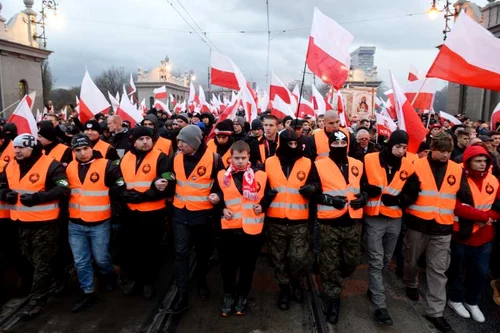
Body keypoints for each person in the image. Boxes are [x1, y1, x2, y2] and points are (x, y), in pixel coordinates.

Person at [403, 132, 472, 333]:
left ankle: (435, 312)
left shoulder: (457, 170)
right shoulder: (417, 164)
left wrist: (467, 223)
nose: (445, 155)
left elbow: (465, 197)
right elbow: (404, 191)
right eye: (441, 151)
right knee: (411, 260)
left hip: (442, 227)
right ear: (432, 149)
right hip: (418, 224)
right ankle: (411, 282)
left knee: (438, 270)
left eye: (448, 151)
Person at [0, 134, 70, 320]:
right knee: (31, 259)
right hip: (21, 223)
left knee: (41, 263)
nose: (17, 151)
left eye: (21, 147)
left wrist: (39, 197)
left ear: (33, 148)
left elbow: (63, 188)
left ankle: (37, 300)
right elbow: (1, 184)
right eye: (15, 148)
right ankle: (59, 276)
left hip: (45, 224)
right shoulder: (11, 165)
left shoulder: (51, 165)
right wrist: (4, 193)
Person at [306, 129, 368, 324]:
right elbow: (310, 191)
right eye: (336, 144)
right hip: (329, 224)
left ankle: (333, 279)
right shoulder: (319, 165)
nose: (340, 147)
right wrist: (329, 200)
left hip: (352, 223)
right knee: (329, 264)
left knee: (351, 261)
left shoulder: (358, 164)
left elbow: (365, 186)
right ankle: (332, 299)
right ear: (330, 146)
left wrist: (364, 198)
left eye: (343, 145)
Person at [167, 125, 224, 313]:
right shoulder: (176, 157)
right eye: (179, 141)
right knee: (181, 253)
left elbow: (224, 185)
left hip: (203, 216)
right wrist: (160, 181)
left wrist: (218, 196)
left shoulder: (215, 160)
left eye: (182, 142)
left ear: (193, 142)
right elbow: (169, 177)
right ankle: (182, 293)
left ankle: (201, 282)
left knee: (202, 254)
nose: (179, 145)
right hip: (180, 215)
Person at [66, 134, 125, 312]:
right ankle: (88, 292)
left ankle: (109, 274)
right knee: (81, 261)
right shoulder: (69, 167)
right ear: (73, 151)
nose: (82, 153)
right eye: (78, 150)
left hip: (100, 222)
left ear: (92, 148)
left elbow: (120, 183)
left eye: (85, 149)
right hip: (75, 222)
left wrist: (115, 192)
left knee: (101, 258)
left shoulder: (106, 165)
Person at [362, 130, 415, 326]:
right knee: (376, 261)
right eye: (398, 146)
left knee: (385, 260)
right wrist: (366, 188)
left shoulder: (409, 165)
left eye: (404, 147)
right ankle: (380, 307)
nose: (401, 151)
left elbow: (413, 191)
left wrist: (399, 200)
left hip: (394, 219)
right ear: (390, 144)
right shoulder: (369, 159)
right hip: (374, 218)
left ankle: (373, 288)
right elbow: (355, 181)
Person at [212, 141, 267, 316]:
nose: (240, 161)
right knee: (227, 266)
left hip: (252, 230)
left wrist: (263, 206)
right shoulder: (222, 175)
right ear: (230, 158)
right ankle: (229, 294)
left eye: (243, 158)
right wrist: (221, 208)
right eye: (237, 158)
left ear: (249, 156)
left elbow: (270, 194)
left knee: (247, 266)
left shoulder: (261, 175)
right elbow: (216, 195)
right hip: (229, 228)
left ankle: (242, 295)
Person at [447, 145, 500, 323]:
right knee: (457, 269)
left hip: (484, 236)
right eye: (478, 161)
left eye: (485, 161)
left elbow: (498, 208)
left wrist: (486, 218)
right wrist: (484, 217)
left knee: (480, 272)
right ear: (468, 162)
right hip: (461, 234)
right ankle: (454, 299)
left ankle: (472, 301)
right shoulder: (459, 179)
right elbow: (456, 206)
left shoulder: (494, 181)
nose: (482, 164)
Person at [119, 127, 171, 300]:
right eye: (141, 139)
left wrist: (144, 196)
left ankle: (148, 281)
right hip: (130, 212)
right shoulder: (126, 157)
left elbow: (168, 183)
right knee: (131, 248)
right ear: (133, 141)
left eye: (148, 138)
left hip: (152, 212)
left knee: (150, 249)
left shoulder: (161, 157)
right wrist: (121, 193)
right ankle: (134, 278)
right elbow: (120, 181)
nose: (145, 142)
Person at [265, 129, 312, 310]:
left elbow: (317, 182)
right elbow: (261, 184)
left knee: (297, 257)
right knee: (278, 258)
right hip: (275, 221)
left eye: (296, 143)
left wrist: (312, 188)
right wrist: (266, 196)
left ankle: (297, 283)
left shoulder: (307, 163)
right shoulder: (269, 162)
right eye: (289, 144)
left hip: (299, 220)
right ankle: (284, 289)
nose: (293, 147)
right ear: (282, 144)